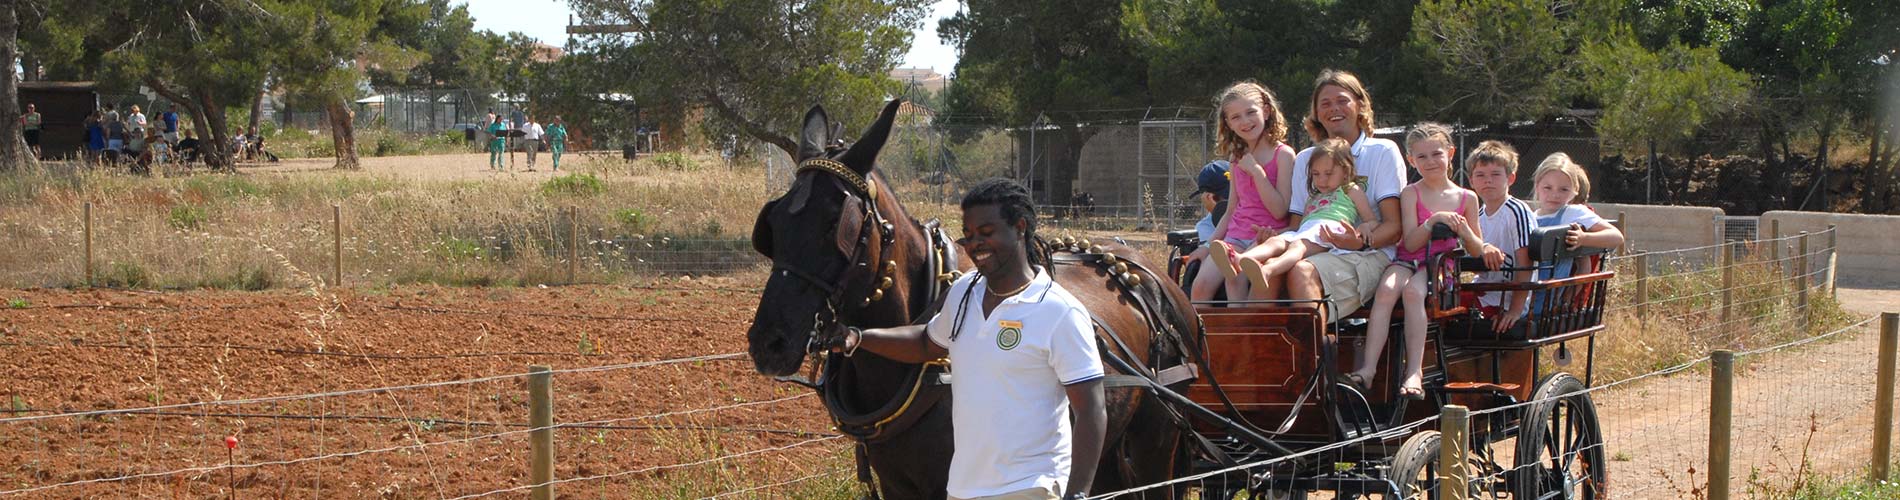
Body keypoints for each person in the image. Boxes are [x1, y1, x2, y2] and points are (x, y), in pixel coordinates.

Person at [838, 178, 1106, 500]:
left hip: (1032, 486)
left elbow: (1091, 410)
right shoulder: (965, 292)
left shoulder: (1059, 311)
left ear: (1020, 228)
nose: (975, 243)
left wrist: (1077, 494)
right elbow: (926, 343)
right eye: (969, 234)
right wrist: (858, 338)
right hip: (964, 488)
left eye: (986, 232)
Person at [1352, 123, 1484, 399]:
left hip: (1440, 266)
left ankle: (1414, 371)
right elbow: (1411, 243)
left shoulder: (1467, 197)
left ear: (1450, 153)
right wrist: (1433, 221)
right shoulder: (1411, 193)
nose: (1430, 162)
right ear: (1411, 160)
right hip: (1408, 260)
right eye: (1421, 157)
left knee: (1413, 293)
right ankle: (1368, 369)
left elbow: (1476, 249)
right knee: (1386, 290)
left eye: (1436, 154)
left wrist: (1463, 230)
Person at [1279, 69, 1411, 323]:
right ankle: (1255, 347)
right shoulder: (1305, 159)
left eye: (1342, 100)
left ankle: (1314, 349)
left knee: (1300, 271)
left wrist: (1359, 242)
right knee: (1267, 268)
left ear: (1360, 105)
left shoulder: (1382, 151)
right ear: (1316, 113)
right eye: (1325, 103)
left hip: (1369, 253)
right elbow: (1297, 225)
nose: (1334, 109)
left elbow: (1394, 227)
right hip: (1314, 247)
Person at [1236, 137, 1378, 296]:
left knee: (1298, 247)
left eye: (1329, 174)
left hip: (1327, 233)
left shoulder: (1350, 190)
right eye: (1316, 174)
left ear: (1345, 172)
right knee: (1275, 242)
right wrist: (1276, 233)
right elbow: (1300, 227)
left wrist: (1364, 227)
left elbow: (1372, 220)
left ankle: (1267, 270)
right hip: (1306, 232)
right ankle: (1239, 259)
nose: (1322, 180)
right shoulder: (1314, 196)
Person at [1197, 81, 1295, 303]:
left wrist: (1257, 172)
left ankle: (1241, 325)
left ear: (1266, 111)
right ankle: (1204, 327)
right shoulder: (1236, 157)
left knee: (1236, 277)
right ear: (1228, 124)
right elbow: (1231, 209)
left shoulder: (1283, 155)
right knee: (1201, 286)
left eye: (1251, 112)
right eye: (1236, 117)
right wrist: (1207, 246)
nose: (1245, 121)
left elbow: (1280, 210)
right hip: (1235, 236)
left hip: (1266, 236)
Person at [1466, 141, 1535, 331]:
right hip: (1485, 291)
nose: (1488, 180)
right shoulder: (1477, 216)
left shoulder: (1516, 211)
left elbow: (1526, 264)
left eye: (1495, 174)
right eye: (1480, 175)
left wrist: (1515, 311)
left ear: (1510, 178)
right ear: (1471, 181)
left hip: (1507, 299)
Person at [1530, 153, 1624, 281]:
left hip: (1551, 290)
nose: (1555, 195)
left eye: (1563, 189)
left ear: (1574, 190)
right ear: (1537, 186)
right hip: (1525, 288)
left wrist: (1583, 238)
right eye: (1548, 188)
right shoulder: (1530, 216)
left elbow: (1616, 236)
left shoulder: (1572, 213)